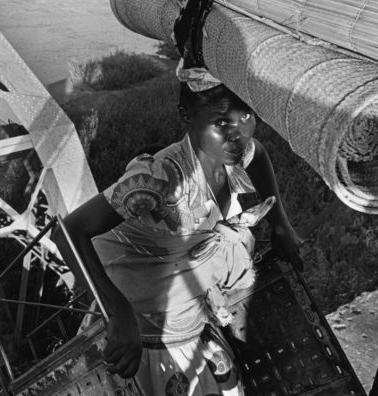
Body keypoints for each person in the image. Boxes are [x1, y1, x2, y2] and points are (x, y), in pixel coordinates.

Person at [53, 66, 303, 395]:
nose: (237, 134)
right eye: (221, 122)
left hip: (193, 324)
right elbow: (69, 232)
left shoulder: (234, 153)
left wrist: (281, 224)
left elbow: (259, 155)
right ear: (187, 117)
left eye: (247, 117)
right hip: (141, 343)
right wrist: (119, 312)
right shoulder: (159, 180)